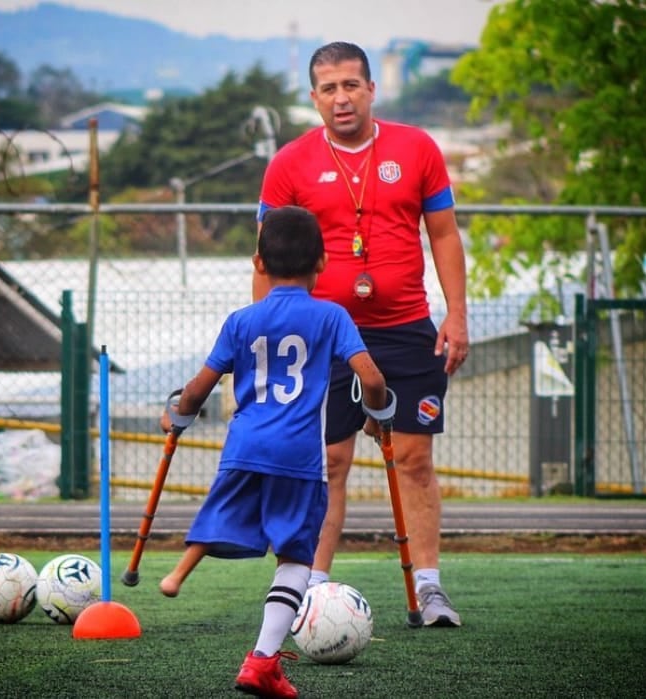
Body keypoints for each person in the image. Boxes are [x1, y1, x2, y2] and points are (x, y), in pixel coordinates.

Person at [255, 41, 470, 628]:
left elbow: (444, 235)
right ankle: (309, 590)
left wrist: (456, 314)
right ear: (314, 97)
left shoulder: (417, 148)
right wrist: (265, 338)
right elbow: (265, 258)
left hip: (406, 328)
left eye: (351, 85)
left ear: (371, 89)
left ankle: (430, 589)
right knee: (329, 460)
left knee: (415, 459)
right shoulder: (289, 163)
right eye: (329, 88)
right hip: (321, 334)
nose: (341, 98)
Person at [160, 205, 388, 699]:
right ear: (322, 263)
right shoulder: (332, 316)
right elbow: (371, 379)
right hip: (298, 456)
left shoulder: (241, 320)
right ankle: (262, 660)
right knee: (296, 556)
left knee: (222, 512)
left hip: (243, 446)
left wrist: (177, 412)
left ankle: (177, 573)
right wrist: (375, 415)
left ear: (258, 264)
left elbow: (198, 389)